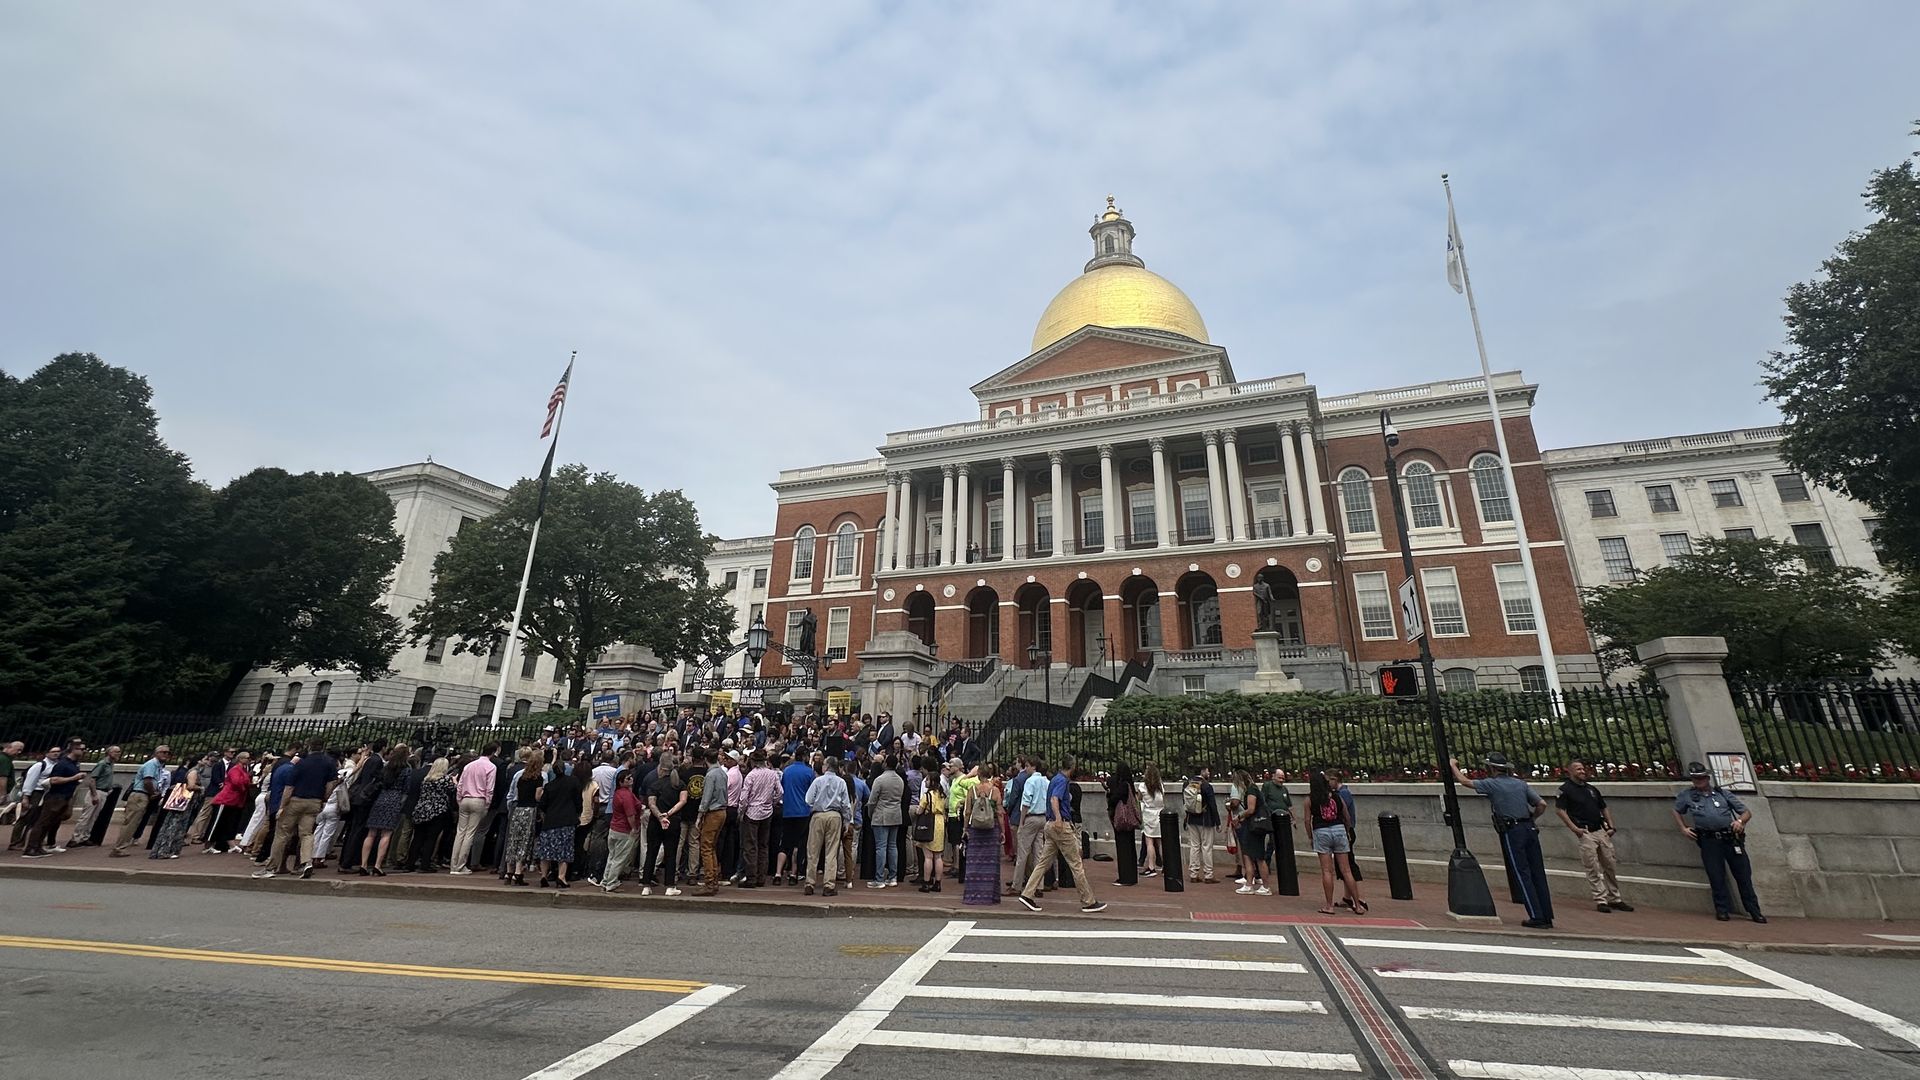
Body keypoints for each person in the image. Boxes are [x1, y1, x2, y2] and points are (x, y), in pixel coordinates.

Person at [1452, 753, 1554, 929]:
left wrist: (1453, 766)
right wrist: (1532, 818)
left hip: (1513, 830)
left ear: (1491, 768)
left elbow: (1465, 782)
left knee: (1522, 872)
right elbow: (1542, 804)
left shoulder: (1493, 784)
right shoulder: (1520, 784)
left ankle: (1536, 915)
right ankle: (1546, 915)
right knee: (1537, 872)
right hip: (1529, 828)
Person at [1673, 761, 1766, 923]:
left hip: (1730, 838)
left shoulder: (1722, 794)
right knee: (1716, 876)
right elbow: (1676, 810)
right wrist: (1683, 828)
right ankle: (1722, 910)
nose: (1699, 781)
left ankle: (1754, 910)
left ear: (1707, 777)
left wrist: (1740, 822)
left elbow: (1745, 812)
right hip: (1708, 840)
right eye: (1695, 779)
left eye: (1701, 778)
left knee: (1743, 875)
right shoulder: (1688, 795)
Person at [1015, 757, 1105, 913]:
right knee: (1076, 863)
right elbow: (1054, 799)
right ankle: (1088, 900)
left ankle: (1027, 893)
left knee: (1043, 862)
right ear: (1072, 767)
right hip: (1060, 824)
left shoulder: (1055, 778)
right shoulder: (1062, 781)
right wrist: (1058, 818)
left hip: (1049, 825)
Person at [1557, 757, 1633, 914]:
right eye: (1578, 769)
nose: (1582, 771)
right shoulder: (1565, 790)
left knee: (1610, 864)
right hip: (1585, 831)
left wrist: (1610, 826)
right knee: (1592, 866)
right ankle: (1601, 899)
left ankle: (1615, 898)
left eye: (1583, 768)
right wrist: (1574, 828)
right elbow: (1560, 810)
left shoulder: (1591, 789)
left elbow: (1603, 807)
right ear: (1569, 771)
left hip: (1600, 830)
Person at [1307, 769, 1365, 915]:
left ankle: (1329, 905)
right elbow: (1346, 816)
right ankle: (1357, 905)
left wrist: (1310, 837)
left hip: (1321, 831)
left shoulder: (1310, 799)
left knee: (1327, 870)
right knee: (1346, 870)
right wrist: (1347, 831)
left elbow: (1307, 820)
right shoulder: (1337, 797)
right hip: (1339, 830)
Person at [23, 742, 86, 857]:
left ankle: (38, 846)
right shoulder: (62, 764)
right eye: (81, 749)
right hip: (56, 796)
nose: (83, 751)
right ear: (73, 750)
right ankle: (31, 848)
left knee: (49, 823)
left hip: (65, 796)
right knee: (42, 822)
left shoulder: (73, 764)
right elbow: (54, 780)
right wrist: (74, 778)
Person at [113, 745, 172, 857]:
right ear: (156, 753)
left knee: (134, 822)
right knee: (131, 822)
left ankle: (121, 846)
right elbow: (147, 781)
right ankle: (119, 848)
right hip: (140, 795)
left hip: (143, 795)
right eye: (163, 752)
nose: (166, 754)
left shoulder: (158, 766)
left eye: (168, 753)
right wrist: (153, 793)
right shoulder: (151, 764)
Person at [643, 750, 688, 896]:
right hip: (673, 821)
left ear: (661, 768)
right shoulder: (680, 784)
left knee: (651, 852)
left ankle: (646, 884)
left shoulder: (655, 784)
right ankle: (670, 885)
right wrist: (668, 814)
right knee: (671, 853)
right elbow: (683, 801)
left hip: (655, 822)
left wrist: (659, 816)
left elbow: (651, 803)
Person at [536, 752, 584, 888]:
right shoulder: (573, 782)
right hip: (567, 819)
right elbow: (578, 801)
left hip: (550, 820)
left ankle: (544, 876)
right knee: (565, 850)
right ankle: (561, 877)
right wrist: (578, 813)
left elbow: (542, 805)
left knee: (546, 850)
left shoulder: (550, 786)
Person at [803, 757, 850, 897]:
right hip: (835, 815)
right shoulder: (841, 782)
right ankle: (829, 885)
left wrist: (814, 808)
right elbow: (846, 805)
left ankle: (809, 883)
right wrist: (847, 822)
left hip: (818, 815)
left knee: (813, 850)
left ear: (827, 766)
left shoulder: (818, 781)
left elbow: (808, 799)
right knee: (831, 851)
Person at [451, 742, 498, 875]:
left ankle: (454, 865)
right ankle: (461, 865)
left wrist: (459, 799)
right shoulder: (491, 766)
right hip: (479, 799)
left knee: (460, 832)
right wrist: (487, 805)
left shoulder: (469, 765)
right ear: (493, 752)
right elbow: (490, 789)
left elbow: (460, 784)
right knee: (470, 833)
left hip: (465, 798)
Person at [500, 749, 545, 886]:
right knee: (525, 841)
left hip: (518, 809)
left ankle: (509, 871)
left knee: (513, 839)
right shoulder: (538, 778)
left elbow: (515, 794)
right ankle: (518, 872)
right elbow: (537, 797)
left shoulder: (521, 776)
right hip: (529, 810)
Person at [406, 757, 458, 874]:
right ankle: (425, 864)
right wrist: (455, 782)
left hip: (422, 809)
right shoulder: (444, 779)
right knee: (431, 838)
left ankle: (410, 863)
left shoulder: (426, 779)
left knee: (418, 838)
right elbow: (453, 790)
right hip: (437, 811)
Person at [962, 762, 1002, 905]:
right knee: (990, 864)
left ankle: (973, 894)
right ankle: (990, 896)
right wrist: (1002, 830)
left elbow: (967, 812)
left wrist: (965, 829)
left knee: (974, 862)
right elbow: (1000, 813)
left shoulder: (972, 790)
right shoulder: (995, 791)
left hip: (976, 829)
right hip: (991, 829)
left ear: (978, 775)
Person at [66, 745, 121, 847]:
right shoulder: (103, 764)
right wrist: (94, 794)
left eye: (119, 752)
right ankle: (75, 838)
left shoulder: (110, 764)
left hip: (104, 792)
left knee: (93, 817)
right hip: (97, 791)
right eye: (116, 752)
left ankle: (84, 837)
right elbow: (92, 780)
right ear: (109, 753)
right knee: (86, 816)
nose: (118, 754)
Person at [202, 751, 255, 854]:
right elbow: (236, 782)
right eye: (247, 758)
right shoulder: (235, 769)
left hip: (234, 801)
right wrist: (246, 783)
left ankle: (229, 844)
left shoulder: (242, 770)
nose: (249, 760)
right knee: (216, 823)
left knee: (230, 823)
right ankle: (208, 845)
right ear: (241, 759)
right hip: (225, 799)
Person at [148, 756, 199, 860]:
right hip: (182, 801)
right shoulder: (193, 772)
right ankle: (165, 850)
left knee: (171, 825)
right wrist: (200, 788)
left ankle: (160, 850)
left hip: (178, 800)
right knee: (175, 826)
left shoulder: (185, 771)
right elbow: (190, 786)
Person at [694, 749, 731, 896]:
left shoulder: (710, 775)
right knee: (712, 847)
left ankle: (709, 882)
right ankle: (714, 880)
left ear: (705, 759)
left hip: (713, 812)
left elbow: (706, 797)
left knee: (706, 847)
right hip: (722, 811)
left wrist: (700, 815)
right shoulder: (722, 773)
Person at [1010, 760, 1050, 896]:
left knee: (1023, 853)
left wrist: (1021, 822)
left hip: (1031, 817)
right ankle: (1039, 885)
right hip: (1043, 817)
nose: (1025, 768)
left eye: (1027, 766)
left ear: (1034, 767)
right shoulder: (1046, 782)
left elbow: (1026, 802)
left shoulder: (1030, 781)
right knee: (1038, 854)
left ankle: (1017, 885)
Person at [739, 751, 778, 888]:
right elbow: (780, 792)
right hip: (767, 812)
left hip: (752, 812)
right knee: (763, 845)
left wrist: (741, 812)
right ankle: (761, 877)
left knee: (750, 846)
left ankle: (751, 877)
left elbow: (744, 797)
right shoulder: (772, 774)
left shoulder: (751, 775)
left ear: (753, 761)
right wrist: (771, 802)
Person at [600, 768, 642, 893]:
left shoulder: (618, 793)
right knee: (620, 858)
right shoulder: (627, 796)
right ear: (621, 782)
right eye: (628, 778)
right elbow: (630, 815)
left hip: (614, 828)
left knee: (612, 856)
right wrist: (634, 828)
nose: (631, 780)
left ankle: (606, 879)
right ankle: (611, 882)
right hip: (624, 830)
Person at [866, 755, 905, 888]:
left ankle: (879, 878)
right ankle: (893, 877)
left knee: (881, 847)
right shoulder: (900, 780)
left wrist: (871, 814)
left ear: (886, 763)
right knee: (893, 846)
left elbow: (872, 801)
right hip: (895, 814)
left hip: (881, 815)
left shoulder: (880, 779)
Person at [779, 751, 816, 887]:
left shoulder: (787, 771)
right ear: (805, 757)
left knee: (785, 842)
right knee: (798, 844)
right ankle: (794, 873)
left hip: (788, 810)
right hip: (803, 811)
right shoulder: (809, 772)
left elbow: (782, 789)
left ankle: (778, 873)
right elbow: (812, 792)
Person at [1232, 769, 1268, 895]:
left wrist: (1239, 816)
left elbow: (1251, 809)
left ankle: (1259, 884)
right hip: (1255, 825)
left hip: (1253, 825)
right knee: (1252, 855)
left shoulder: (1251, 790)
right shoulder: (1253, 789)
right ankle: (1252, 883)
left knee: (1254, 855)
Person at [1183, 765, 1221, 884]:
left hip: (1191, 819)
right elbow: (1212, 805)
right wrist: (1218, 822)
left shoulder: (1186, 784)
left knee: (1194, 846)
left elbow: (1184, 803)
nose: (1208, 772)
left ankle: (1193, 873)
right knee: (1206, 847)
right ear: (1202, 771)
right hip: (1205, 819)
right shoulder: (1206, 786)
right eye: (1207, 770)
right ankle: (1208, 874)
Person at [914, 767, 948, 894]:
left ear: (931, 782)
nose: (926, 782)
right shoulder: (942, 795)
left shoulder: (927, 795)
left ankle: (926, 882)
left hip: (929, 822)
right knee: (938, 855)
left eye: (927, 780)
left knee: (928, 856)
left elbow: (919, 810)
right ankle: (938, 883)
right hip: (940, 822)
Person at [1106, 762, 1139, 886]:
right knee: (1130, 848)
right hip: (1129, 821)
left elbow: (1114, 799)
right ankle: (1132, 876)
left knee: (1123, 849)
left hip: (1122, 820)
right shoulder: (1129, 784)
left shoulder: (1123, 786)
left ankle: (1125, 877)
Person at [1137, 764, 1164, 878]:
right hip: (1159, 813)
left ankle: (1151, 866)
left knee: (1149, 842)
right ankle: (1165, 866)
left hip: (1148, 814)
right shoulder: (1160, 786)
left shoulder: (1143, 786)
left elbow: (1139, 799)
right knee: (1160, 842)